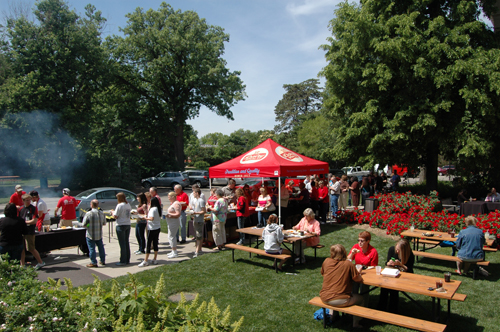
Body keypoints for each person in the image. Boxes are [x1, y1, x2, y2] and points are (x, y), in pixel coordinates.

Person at [320, 244, 364, 328]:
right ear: (344, 252)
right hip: (339, 300)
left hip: (324, 297)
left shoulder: (326, 261)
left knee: (335, 292)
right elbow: (358, 279)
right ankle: (356, 323)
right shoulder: (348, 264)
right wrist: (358, 272)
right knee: (361, 299)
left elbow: (323, 273)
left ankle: (333, 316)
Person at [378, 239, 414, 313]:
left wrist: (400, 264)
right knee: (384, 287)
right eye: (396, 249)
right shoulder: (392, 250)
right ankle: (381, 308)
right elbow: (387, 262)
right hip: (392, 273)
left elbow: (409, 270)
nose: (397, 251)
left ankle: (393, 310)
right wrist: (389, 263)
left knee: (393, 289)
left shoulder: (410, 255)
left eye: (399, 250)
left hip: (404, 277)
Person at [347, 231, 378, 305]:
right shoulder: (356, 247)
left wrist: (365, 268)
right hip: (356, 272)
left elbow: (374, 267)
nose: (359, 243)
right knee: (353, 287)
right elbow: (348, 260)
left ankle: (364, 305)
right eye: (358, 240)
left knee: (364, 288)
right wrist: (352, 254)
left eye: (362, 241)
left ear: (368, 241)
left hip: (366, 273)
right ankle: (353, 304)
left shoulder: (373, 252)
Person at [19, 194, 45, 269]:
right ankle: (22, 265)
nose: (28, 201)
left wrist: (24, 222)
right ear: (23, 201)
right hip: (22, 231)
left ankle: (40, 262)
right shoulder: (21, 209)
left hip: (29, 231)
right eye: (27, 200)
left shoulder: (33, 208)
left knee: (31, 248)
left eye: (29, 200)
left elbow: (34, 221)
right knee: (22, 249)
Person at [82, 199, 106, 268]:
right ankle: (102, 260)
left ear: (91, 205)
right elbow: (104, 223)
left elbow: (84, 224)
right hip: (99, 234)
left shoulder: (88, 213)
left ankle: (93, 262)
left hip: (90, 234)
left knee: (92, 249)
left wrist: (89, 225)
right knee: (101, 248)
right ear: (97, 205)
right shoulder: (102, 213)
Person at [138, 197, 162, 266]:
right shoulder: (158, 209)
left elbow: (151, 218)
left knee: (148, 244)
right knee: (155, 243)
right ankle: (155, 259)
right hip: (157, 227)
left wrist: (144, 218)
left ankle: (145, 260)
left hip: (152, 228)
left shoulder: (152, 209)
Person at [111, 192, 132, 266]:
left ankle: (123, 260)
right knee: (126, 242)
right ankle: (127, 259)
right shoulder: (128, 204)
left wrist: (112, 212)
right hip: (127, 224)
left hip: (120, 225)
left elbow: (115, 216)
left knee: (122, 243)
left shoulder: (119, 205)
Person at [189, 187, 206, 257]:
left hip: (199, 220)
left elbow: (204, 211)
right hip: (195, 219)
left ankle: (197, 252)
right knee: (198, 235)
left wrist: (196, 213)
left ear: (197, 193)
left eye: (194, 193)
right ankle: (200, 249)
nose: (193, 194)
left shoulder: (201, 200)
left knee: (198, 235)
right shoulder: (195, 200)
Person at [165, 192, 182, 258]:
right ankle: (173, 250)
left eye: (169, 196)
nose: (168, 198)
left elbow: (178, 214)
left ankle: (175, 252)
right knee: (170, 236)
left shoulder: (176, 204)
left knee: (172, 236)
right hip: (170, 222)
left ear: (173, 197)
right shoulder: (173, 203)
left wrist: (170, 215)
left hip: (174, 222)